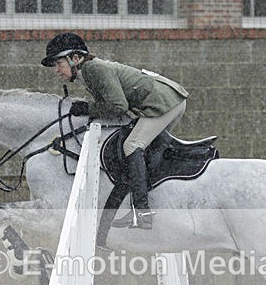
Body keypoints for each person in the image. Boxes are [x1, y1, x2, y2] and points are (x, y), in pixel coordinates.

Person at [41, 32, 189, 230]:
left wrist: (87, 108)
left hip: (164, 103)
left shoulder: (93, 69)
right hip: (170, 99)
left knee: (132, 145)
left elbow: (118, 106)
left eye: (59, 63)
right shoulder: (89, 71)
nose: (57, 70)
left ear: (75, 58)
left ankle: (142, 212)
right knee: (141, 150)